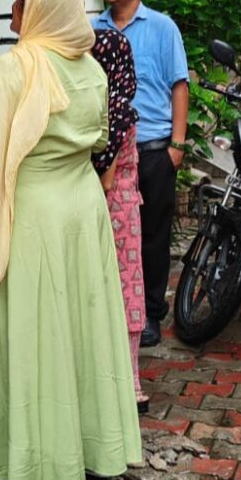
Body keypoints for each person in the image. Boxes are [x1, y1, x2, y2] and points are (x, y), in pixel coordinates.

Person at [0, 0, 141, 480]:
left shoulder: (15, 67)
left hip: (29, 215)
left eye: (20, 0)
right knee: (78, 332)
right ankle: (85, 452)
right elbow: (100, 138)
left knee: (31, 335)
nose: (15, 8)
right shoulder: (94, 71)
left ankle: (32, 467)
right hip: (80, 209)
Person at [93, 0, 189, 347]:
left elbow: (178, 85)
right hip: (108, 152)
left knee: (151, 236)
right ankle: (114, 310)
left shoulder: (162, 28)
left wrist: (177, 146)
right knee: (111, 236)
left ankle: (150, 312)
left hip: (152, 149)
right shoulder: (91, 29)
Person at [91, 28, 147, 412]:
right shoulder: (123, 103)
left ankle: (128, 384)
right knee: (126, 287)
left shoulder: (111, 110)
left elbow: (105, 177)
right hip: (127, 207)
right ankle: (129, 381)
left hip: (113, 208)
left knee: (119, 290)